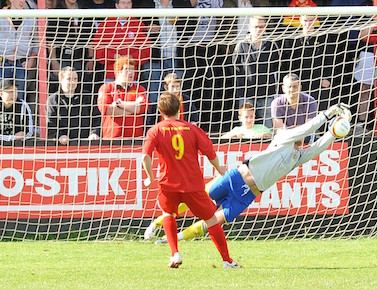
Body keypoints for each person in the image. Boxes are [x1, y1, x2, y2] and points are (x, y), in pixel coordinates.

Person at [145, 105, 352, 244]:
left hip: (247, 195)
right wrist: (328, 114)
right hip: (235, 177)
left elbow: (317, 147)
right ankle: (156, 224)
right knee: (194, 201)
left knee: (214, 222)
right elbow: (308, 128)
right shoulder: (284, 137)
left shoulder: (297, 157)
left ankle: (170, 239)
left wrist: (334, 133)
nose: (304, 138)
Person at [140, 92, 237, 269]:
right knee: (211, 219)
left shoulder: (155, 130)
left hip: (168, 184)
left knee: (168, 214)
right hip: (192, 185)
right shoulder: (192, 129)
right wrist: (220, 169)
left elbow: (145, 156)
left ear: (160, 110)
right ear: (179, 108)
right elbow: (210, 152)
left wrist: (149, 177)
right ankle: (227, 261)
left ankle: (175, 253)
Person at [234, 16, 281, 129]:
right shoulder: (241, 45)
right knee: (246, 130)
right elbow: (236, 68)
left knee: (269, 129)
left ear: (265, 28)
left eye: (261, 27)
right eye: (256, 27)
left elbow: (276, 68)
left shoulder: (272, 46)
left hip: (267, 94)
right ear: (249, 27)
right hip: (246, 94)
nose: (258, 29)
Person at [0, 0, 38, 102]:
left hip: (21, 64)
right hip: (2, 62)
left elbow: (36, 41)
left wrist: (31, 61)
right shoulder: (0, 15)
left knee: (20, 99)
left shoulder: (31, 17)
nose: (22, 1)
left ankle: (20, 118)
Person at [91, 0, 150, 81]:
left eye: (129, 3)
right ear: (117, 5)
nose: (126, 6)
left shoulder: (138, 24)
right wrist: (113, 56)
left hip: (132, 76)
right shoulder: (106, 24)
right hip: (111, 75)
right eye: (123, 3)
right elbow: (97, 50)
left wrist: (131, 58)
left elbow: (146, 50)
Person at [46, 67, 100, 145]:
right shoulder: (52, 100)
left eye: (75, 79)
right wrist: (59, 136)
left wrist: (94, 133)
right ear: (61, 79)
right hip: (62, 146)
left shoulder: (87, 97)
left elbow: (96, 118)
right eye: (69, 79)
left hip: (86, 144)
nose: (73, 82)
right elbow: (50, 123)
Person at [97, 56, 147, 138]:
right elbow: (106, 110)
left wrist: (119, 104)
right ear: (118, 72)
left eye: (133, 69)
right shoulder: (106, 88)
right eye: (127, 69)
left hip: (136, 140)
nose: (131, 72)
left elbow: (142, 108)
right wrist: (133, 108)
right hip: (111, 139)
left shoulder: (140, 89)